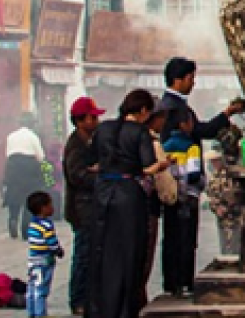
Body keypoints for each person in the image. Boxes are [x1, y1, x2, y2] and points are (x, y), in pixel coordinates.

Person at [157, 57, 244, 297]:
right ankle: (180, 282)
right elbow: (201, 131)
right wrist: (226, 114)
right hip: (183, 182)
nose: (193, 82)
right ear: (178, 79)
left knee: (176, 234)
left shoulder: (173, 105)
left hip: (180, 182)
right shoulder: (174, 108)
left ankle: (175, 282)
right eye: (190, 78)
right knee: (182, 234)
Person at [86, 89, 169, 318]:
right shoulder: (140, 132)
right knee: (129, 253)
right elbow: (148, 167)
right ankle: (124, 309)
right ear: (142, 111)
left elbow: (92, 163)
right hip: (128, 195)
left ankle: (100, 307)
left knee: (101, 249)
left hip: (103, 193)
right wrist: (164, 164)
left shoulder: (103, 128)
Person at [64, 97, 104, 315]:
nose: (96, 121)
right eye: (92, 117)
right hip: (82, 210)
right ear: (80, 121)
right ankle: (78, 299)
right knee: (83, 256)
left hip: (91, 207)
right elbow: (77, 176)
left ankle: (89, 298)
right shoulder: (75, 146)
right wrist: (98, 175)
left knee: (92, 256)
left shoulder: (91, 141)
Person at [161, 108, 206, 296]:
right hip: (188, 199)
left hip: (170, 199)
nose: (192, 125)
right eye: (190, 121)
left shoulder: (165, 146)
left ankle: (170, 283)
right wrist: (202, 182)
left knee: (170, 239)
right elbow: (194, 175)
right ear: (183, 125)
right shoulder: (191, 147)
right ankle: (186, 282)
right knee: (187, 240)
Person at [139, 106, 177, 309]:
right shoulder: (151, 143)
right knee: (144, 257)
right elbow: (164, 184)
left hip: (132, 206)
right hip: (148, 206)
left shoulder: (131, 139)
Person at [3, 113, 45, 239]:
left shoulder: (11, 136)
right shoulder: (33, 136)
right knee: (29, 197)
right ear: (32, 124)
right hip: (29, 167)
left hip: (12, 166)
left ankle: (13, 219)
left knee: (14, 195)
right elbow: (41, 156)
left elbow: (8, 154)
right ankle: (25, 229)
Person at [26, 191, 65, 318]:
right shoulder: (46, 225)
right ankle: (40, 314)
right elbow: (51, 242)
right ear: (43, 208)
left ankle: (31, 312)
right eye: (50, 205)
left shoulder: (32, 223)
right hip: (44, 261)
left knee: (32, 287)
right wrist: (58, 250)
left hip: (33, 261)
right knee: (41, 289)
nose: (53, 208)